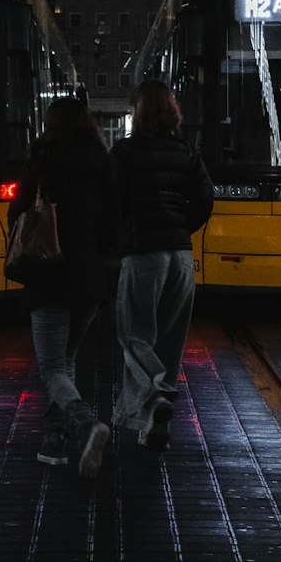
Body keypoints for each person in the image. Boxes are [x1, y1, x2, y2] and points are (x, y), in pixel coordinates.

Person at [7, 96, 121, 478]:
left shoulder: (41, 158)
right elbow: (110, 222)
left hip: (49, 271)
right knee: (66, 361)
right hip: (89, 277)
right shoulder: (100, 159)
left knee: (53, 366)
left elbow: (19, 208)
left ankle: (86, 422)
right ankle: (54, 440)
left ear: (51, 123)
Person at [110, 79, 215, 452]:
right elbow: (205, 199)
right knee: (170, 339)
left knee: (135, 334)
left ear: (138, 113)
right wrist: (180, 228)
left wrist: (119, 238)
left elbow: (114, 202)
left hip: (143, 254)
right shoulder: (187, 152)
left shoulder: (125, 152)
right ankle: (150, 423)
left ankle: (154, 396)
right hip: (181, 256)